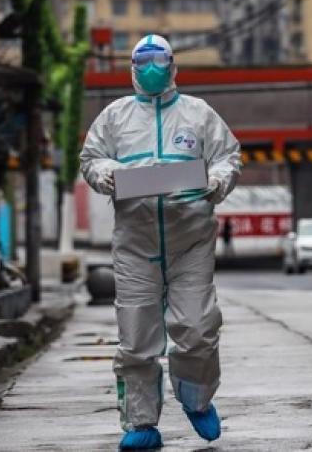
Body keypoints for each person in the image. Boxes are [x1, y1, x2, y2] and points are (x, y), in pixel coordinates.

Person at [80, 35, 241, 450]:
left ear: (172, 65)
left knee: (197, 328)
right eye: (143, 60)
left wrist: (216, 181)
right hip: (136, 243)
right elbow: (91, 158)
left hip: (191, 241)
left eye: (159, 59)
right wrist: (109, 173)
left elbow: (228, 156)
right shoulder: (114, 117)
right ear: (132, 67)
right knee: (136, 337)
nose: (151, 67)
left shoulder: (198, 114)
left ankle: (196, 398)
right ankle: (141, 424)